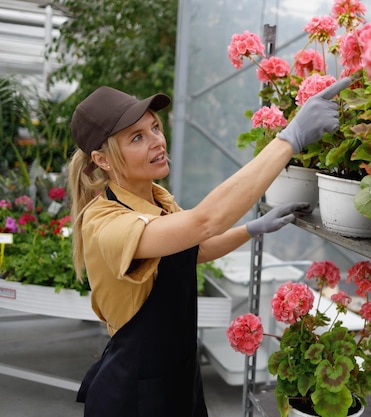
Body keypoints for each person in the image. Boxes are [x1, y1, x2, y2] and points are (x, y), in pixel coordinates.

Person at [68, 78, 352, 417]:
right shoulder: (105, 222)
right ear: (103, 160)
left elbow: (194, 247)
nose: (157, 141)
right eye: (137, 137)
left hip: (179, 376)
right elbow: (203, 223)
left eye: (155, 127)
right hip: (135, 393)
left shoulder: (157, 198)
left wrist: (251, 229)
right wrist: (289, 140)